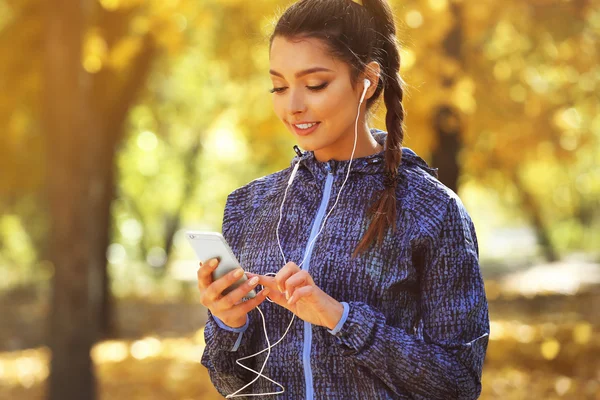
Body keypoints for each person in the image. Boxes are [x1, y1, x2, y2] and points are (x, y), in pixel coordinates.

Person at [196, 0, 490, 398]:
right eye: (279, 86)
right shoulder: (250, 205)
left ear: (366, 81)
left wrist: (340, 317)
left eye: (315, 84)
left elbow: (457, 384)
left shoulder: (431, 209)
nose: (293, 105)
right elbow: (234, 386)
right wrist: (228, 322)